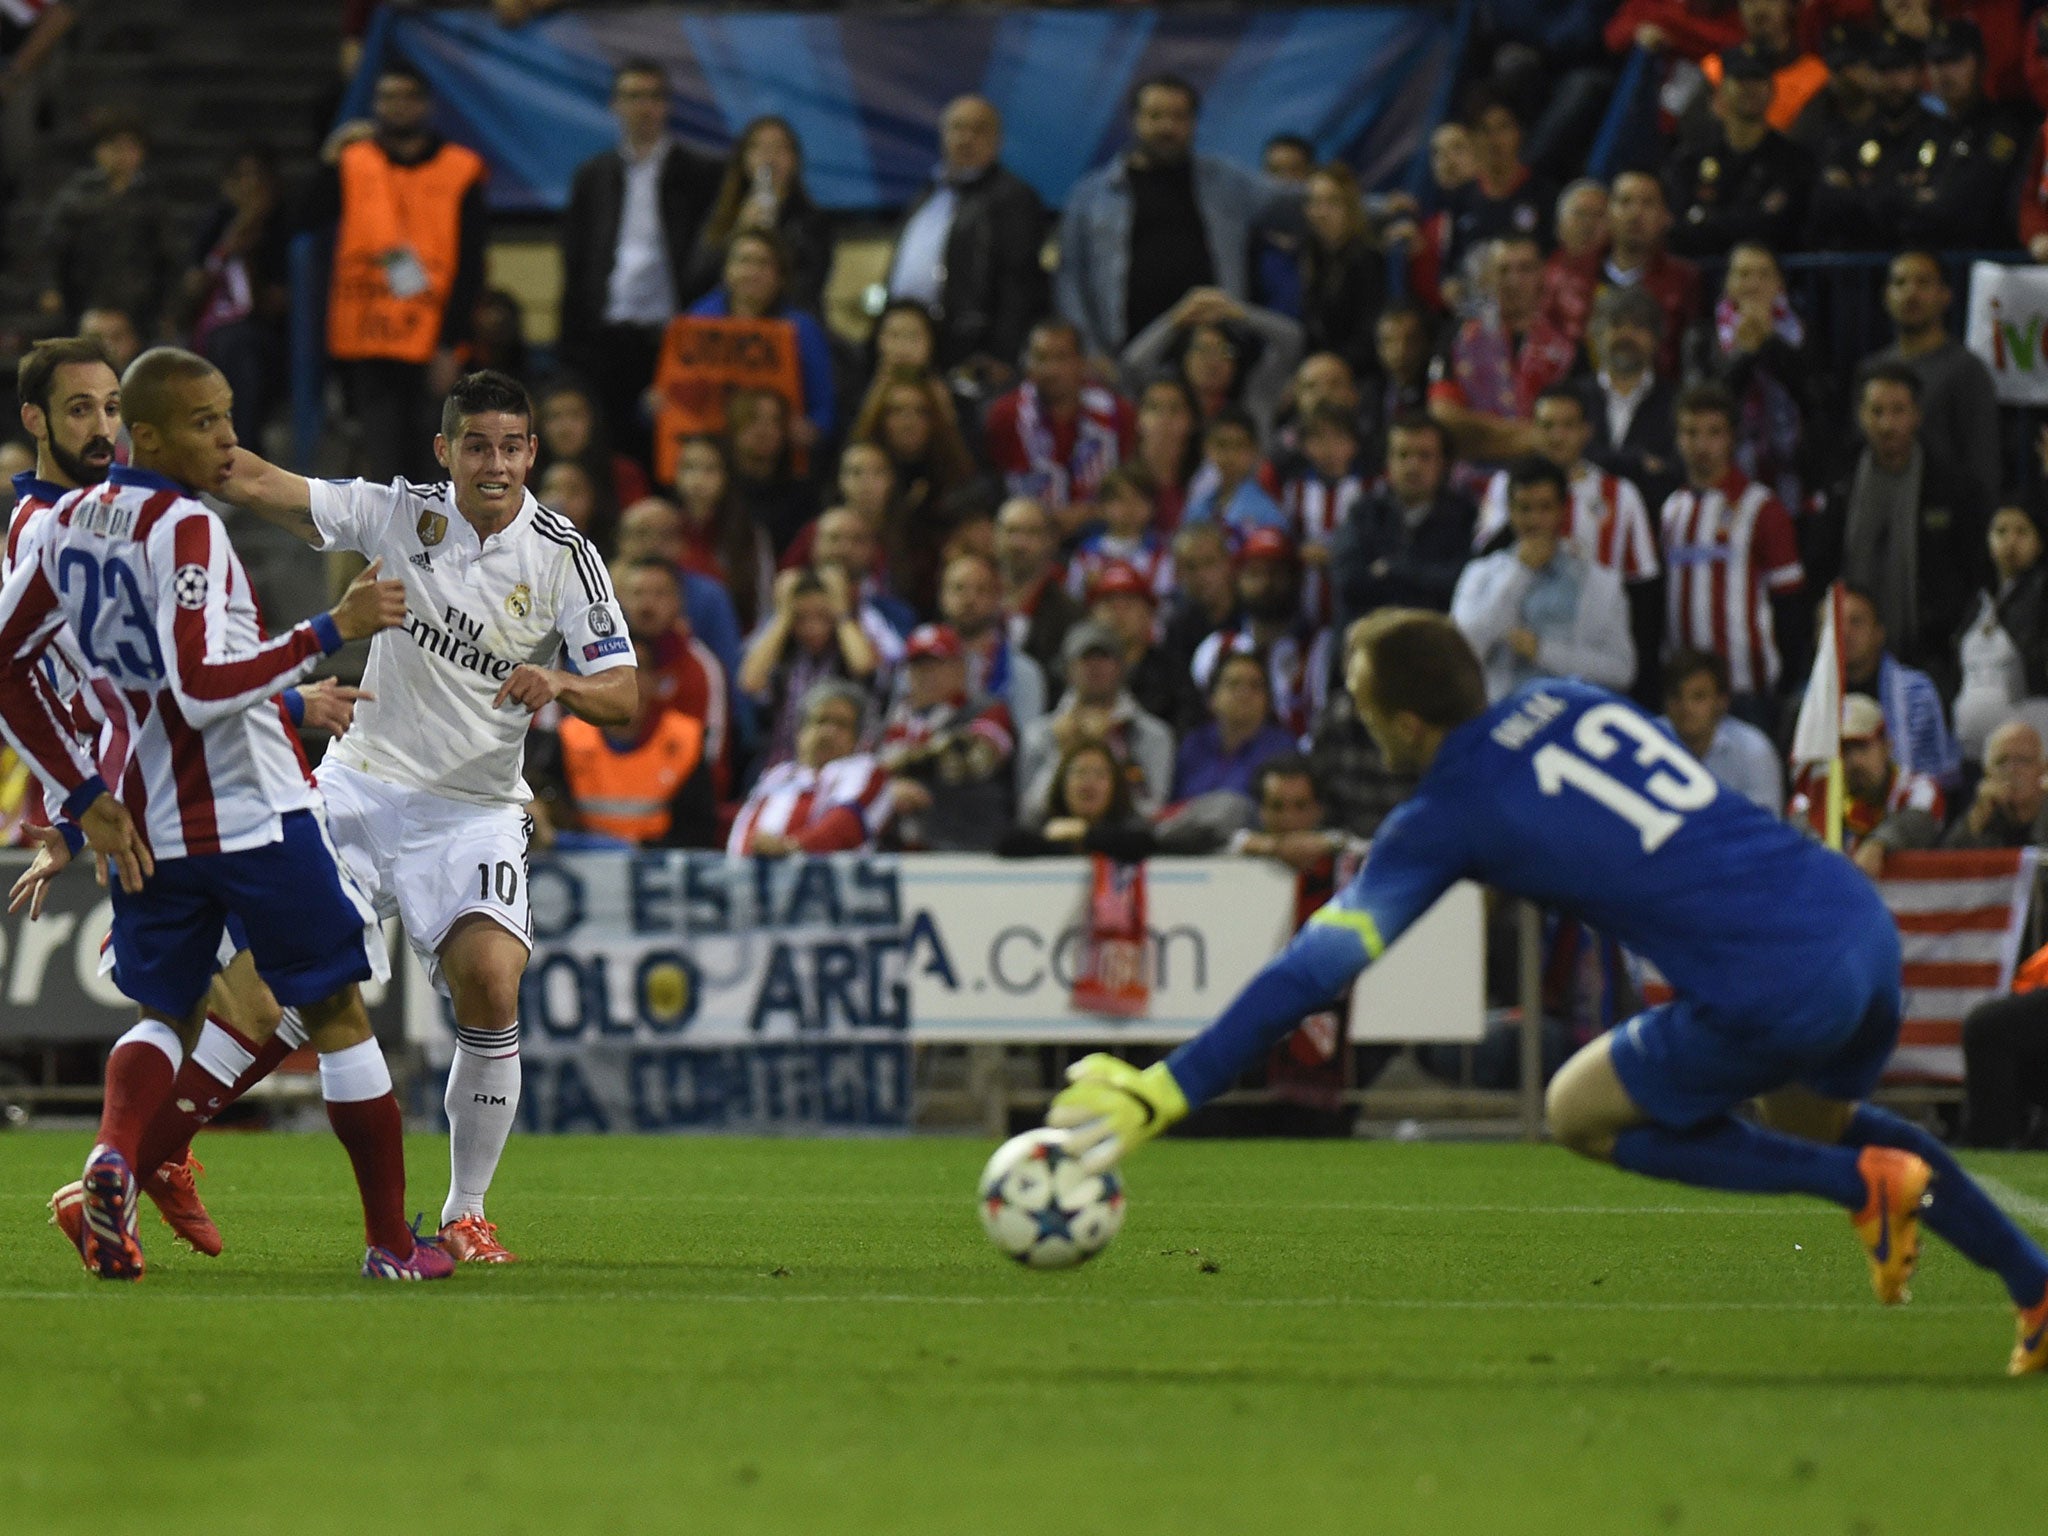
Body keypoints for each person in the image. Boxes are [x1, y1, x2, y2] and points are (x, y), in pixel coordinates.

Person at [1044, 609, 2048, 1377]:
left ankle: (1855, 1190)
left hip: (1767, 983)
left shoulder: (1442, 812)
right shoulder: (1568, 699)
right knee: (1817, 1119)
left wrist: (1167, 1085)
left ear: (1401, 719)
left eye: (1357, 703)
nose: (1354, 718)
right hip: (1852, 923)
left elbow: (1315, 968)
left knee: (1577, 1110)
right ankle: (2034, 1290)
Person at [0, 346, 450, 1282]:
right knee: (333, 1008)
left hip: (143, 823)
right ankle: (394, 1247)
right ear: (150, 434)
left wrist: (81, 798)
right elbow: (203, 687)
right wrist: (334, 631)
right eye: (207, 422)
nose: (229, 438)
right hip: (250, 813)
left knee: (163, 1009)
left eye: (230, 414)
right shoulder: (187, 530)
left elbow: (11, 665)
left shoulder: (61, 525)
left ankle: (112, 1161)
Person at [218, 368, 638, 1264]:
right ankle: (148, 1158)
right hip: (362, 784)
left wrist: (563, 680)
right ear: (446, 451)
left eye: (512, 447)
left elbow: (625, 693)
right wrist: (176, 445)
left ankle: (466, 1208)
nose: (496, 465)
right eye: (477, 446)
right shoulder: (398, 513)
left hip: (474, 809)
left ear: (533, 453)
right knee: (267, 992)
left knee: (492, 980)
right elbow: (263, 484)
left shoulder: (564, 554)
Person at [313, 64, 488, 485]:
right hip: (366, 343)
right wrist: (327, 160)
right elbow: (307, 219)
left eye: (407, 96)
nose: (397, 106)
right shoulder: (352, 162)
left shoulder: (460, 168)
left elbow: (471, 265)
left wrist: (450, 343)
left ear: (426, 104)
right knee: (385, 471)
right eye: (388, 96)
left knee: (436, 468)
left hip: (430, 346)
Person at [1056, 74, 1301, 364]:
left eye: (1178, 117)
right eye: (1155, 116)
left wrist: (1360, 207)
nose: (1167, 127)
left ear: (1194, 123)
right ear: (1134, 120)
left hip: (1217, 362)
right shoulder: (1091, 196)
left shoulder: (1223, 182)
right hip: (1126, 363)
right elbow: (1071, 284)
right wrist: (1090, 354)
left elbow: (1301, 205)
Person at [558, 58, 723, 460]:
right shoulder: (593, 176)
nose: (643, 107)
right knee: (608, 450)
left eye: (652, 97)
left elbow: (710, 261)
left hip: (674, 336)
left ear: (666, 106)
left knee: (673, 450)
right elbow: (576, 263)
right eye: (633, 97)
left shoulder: (702, 174)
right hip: (607, 336)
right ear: (615, 105)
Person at [1814, 364, 1985, 673]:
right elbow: (1820, 560)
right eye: (1876, 411)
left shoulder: (1953, 487)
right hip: (1846, 656)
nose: (1887, 424)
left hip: (1931, 654)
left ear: (1917, 415)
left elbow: (1972, 572)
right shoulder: (1839, 479)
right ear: (1860, 415)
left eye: (1898, 411)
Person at [1660, 382, 1805, 722]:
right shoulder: (1671, 510)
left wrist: (1785, 683)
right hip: (1683, 694)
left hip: (1745, 690)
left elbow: (1790, 603)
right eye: (1690, 433)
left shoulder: (1762, 508)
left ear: (1732, 438)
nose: (1701, 445)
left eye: (1713, 433)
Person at [885, 95, 1048, 386]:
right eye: (957, 128)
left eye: (978, 129)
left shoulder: (1012, 198)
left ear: (997, 140)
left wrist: (1002, 352)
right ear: (943, 135)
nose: (966, 138)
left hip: (970, 352)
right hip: (913, 346)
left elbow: (1020, 283)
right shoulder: (929, 193)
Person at [654, 227, 835, 483]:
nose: (752, 272)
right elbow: (668, 393)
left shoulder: (802, 330)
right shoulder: (697, 320)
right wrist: (655, 404)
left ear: (780, 275)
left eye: (763, 263)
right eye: (743, 261)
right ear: (726, 271)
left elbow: (824, 411)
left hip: (777, 469)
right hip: (708, 469)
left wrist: (812, 431)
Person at [1452, 456, 1635, 702]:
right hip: (1499, 719)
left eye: (1545, 508)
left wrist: (1543, 651)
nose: (1535, 520)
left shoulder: (1600, 583)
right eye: (1525, 508)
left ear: (1562, 509)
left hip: (1570, 719)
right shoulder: (1480, 574)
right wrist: (1520, 572)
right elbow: (1460, 655)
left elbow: (1622, 670)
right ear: (1510, 511)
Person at [531, 638, 713, 849]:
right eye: (613, 671)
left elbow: (698, 836)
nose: (628, 682)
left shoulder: (685, 742)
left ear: (656, 680)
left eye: (638, 669)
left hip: (659, 873)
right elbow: (543, 807)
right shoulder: (569, 739)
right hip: (582, 870)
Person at [1863, 250, 2002, 513]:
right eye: (1900, 283)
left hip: (1943, 519)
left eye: (1923, 283)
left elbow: (1983, 463)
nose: (1911, 293)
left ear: (1945, 295)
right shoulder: (1871, 371)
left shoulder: (1967, 371)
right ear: (1885, 296)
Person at [1684, 241, 1813, 516]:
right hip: (1725, 472)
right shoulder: (1703, 335)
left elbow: (1813, 396)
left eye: (1763, 274)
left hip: (1794, 473)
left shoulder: (1802, 333)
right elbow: (1705, 403)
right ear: (1728, 283)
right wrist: (1745, 353)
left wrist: (1770, 344)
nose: (1753, 284)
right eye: (1743, 274)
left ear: (1780, 284)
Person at [1427, 235, 1576, 465]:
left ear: (1542, 274)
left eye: (1525, 269)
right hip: (1469, 483)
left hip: (1542, 482)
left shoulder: (1566, 345)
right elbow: (1443, 415)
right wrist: (1528, 436)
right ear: (1488, 277)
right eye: (1503, 270)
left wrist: (1479, 440)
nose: (1513, 281)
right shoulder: (1460, 335)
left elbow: (1568, 432)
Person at [1328, 412, 1476, 641]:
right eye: (1403, 455)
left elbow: (1462, 586)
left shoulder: (1464, 516)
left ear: (1443, 463)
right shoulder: (1364, 513)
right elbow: (1349, 583)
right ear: (1388, 461)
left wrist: (1392, 568)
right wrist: (1423, 578)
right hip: (1366, 645)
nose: (1413, 465)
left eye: (1424, 456)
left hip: (1434, 647)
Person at [180, 145, 290, 450]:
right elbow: (193, 286)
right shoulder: (216, 223)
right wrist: (233, 239)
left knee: (239, 347)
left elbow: (280, 300)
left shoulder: (283, 226)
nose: (249, 185)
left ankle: (244, 449)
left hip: (270, 333)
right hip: (212, 327)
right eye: (240, 176)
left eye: (256, 175)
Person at [1662, 41, 1813, 258]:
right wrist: (1751, 219)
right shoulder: (1691, 158)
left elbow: (1781, 230)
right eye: (1741, 79)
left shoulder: (1794, 160)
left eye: (1758, 79)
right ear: (1722, 89)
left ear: (1771, 89)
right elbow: (1679, 227)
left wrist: (1712, 221)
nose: (1750, 88)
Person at [1540, 172, 1699, 376]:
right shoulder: (1569, 277)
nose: (1635, 213)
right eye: (1625, 202)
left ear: (1666, 217)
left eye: (1647, 203)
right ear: (1608, 214)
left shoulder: (1684, 280)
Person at [983, 320, 1135, 532]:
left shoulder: (1117, 412)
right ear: (1028, 364)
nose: (1050, 370)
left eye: (1061, 358)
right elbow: (996, 490)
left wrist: (1091, 513)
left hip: (1101, 534)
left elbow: (1131, 485)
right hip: (1029, 537)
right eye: (1041, 358)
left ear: (1081, 363)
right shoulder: (1005, 416)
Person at [1017, 620, 1177, 820]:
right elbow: (1029, 813)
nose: (1095, 667)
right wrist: (1063, 753)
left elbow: (1151, 810)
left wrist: (1111, 748)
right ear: (1067, 669)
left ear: (1121, 667)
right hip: (1056, 844)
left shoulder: (1153, 735)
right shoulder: (1039, 734)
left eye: (1104, 657)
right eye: (1085, 659)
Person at [36, 108, 179, 332]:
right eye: (114, 147)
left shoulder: (152, 199)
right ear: (99, 151)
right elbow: (52, 246)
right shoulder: (76, 196)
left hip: (139, 304)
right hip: (85, 297)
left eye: (131, 147)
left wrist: (168, 306)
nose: (122, 155)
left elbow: (167, 255)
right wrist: (49, 287)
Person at [876, 623, 1015, 852]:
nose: (926, 675)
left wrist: (901, 763)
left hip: (970, 849)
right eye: (918, 666)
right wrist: (886, 791)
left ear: (960, 668)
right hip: (901, 854)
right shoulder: (892, 724)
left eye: (936, 665)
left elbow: (974, 759)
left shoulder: (988, 711)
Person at [1806, 28, 1947, 250]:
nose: (1891, 81)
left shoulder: (1942, 134)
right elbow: (1825, 205)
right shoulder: (1851, 139)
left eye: (1900, 69)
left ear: (1920, 74)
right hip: (1864, 269)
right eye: (1882, 70)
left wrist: (1858, 195)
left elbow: (1938, 212)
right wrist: (1901, 197)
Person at [1190, 529, 1330, 740]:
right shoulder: (1216, 649)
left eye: (1276, 573)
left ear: (1296, 579)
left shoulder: (1320, 648)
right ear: (1238, 580)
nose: (1266, 583)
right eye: (1254, 573)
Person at [686, 116, 834, 315]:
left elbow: (809, 286)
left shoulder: (812, 221)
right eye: (759, 148)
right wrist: (738, 230)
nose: (769, 157)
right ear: (744, 158)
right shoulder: (723, 214)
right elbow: (696, 279)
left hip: (787, 323)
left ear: (794, 159)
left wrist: (771, 234)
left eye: (779, 148)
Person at [1118, 286, 1304, 445]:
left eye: (1225, 351)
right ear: (1185, 358)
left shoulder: (1255, 401)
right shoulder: (1167, 400)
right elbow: (1132, 366)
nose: (1212, 361)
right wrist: (1175, 319)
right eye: (1202, 349)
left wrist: (1238, 312)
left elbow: (1293, 339)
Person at [727, 680, 889, 856]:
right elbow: (745, 829)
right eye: (821, 721)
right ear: (800, 732)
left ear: (856, 738)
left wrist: (789, 848)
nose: (829, 731)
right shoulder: (778, 775)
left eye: (841, 724)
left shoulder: (865, 769)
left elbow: (847, 825)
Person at [1789, 694, 1945, 875]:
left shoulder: (1916, 788)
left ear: (1886, 747)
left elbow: (1921, 818)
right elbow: (1800, 826)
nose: (1854, 761)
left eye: (1862, 747)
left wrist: (1878, 843)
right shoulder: (1814, 794)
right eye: (1844, 750)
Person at [1837, 582, 1964, 789]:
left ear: (1879, 633)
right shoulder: (1806, 704)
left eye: (1856, 622)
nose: (1845, 632)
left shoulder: (1915, 692)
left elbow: (1933, 780)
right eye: (1836, 624)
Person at [1920, 20, 2030, 251]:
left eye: (1955, 60)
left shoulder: (2005, 128)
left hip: (1989, 265)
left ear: (1980, 64)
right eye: (1937, 62)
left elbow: (1974, 204)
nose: (1944, 72)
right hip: (1933, 264)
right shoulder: (1923, 128)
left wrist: (1927, 202)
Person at [1953, 505, 2048, 759]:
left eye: (2021, 532)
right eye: (2001, 531)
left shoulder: (2041, 595)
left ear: (2039, 543)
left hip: (2031, 745)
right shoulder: (1980, 599)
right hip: (1974, 752)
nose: (2010, 542)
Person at [1577, 285, 1681, 512]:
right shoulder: (1573, 398)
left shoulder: (1678, 403)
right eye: (1616, 324)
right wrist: (1638, 463)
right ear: (1595, 334)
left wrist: (1596, 459)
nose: (1626, 335)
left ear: (1656, 337)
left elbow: (1673, 476)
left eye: (1638, 326)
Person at [1441, 91, 1556, 285]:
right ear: (1472, 138)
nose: (1494, 140)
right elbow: (1449, 271)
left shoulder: (1545, 196)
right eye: (1484, 130)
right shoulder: (1461, 199)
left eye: (1503, 127)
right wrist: (1451, 287)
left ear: (1519, 133)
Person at [1659, 647, 1783, 812]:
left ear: (1721, 702)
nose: (1685, 707)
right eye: (1676, 696)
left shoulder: (1754, 751)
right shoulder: (1643, 736)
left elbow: (1766, 827)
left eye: (1698, 697)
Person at [939, 549, 1047, 737]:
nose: (969, 599)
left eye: (981, 590)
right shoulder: (921, 663)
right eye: (959, 588)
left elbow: (1027, 743)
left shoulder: (1024, 672)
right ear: (942, 597)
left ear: (998, 599)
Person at [1296, 163, 1384, 379]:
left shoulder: (1367, 259)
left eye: (1332, 202)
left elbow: (1369, 336)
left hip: (1358, 376)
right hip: (1322, 370)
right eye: (1315, 202)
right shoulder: (1311, 257)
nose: (1321, 212)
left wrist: (1326, 369)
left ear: (1350, 207)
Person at [1174, 649, 1297, 800]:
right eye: (1233, 684)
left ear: (1268, 700)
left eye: (1255, 686)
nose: (1244, 693)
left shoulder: (1281, 749)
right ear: (1212, 698)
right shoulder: (1194, 744)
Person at [1085, 559, 1191, 734]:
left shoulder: (1173, 675)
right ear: (1091, 615)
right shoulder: (1076, 669)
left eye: (1129, 604)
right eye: (1109, 604)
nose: (1118, 614)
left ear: (1149, 614)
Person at [993, 495, 1082, 680]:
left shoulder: (1069, 615)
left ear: (1050, 541)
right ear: (995, 537)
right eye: (1011, 531)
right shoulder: (977, 601)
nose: (1019, 543)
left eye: (1031, 533)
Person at [1182, 406, 1286, 534]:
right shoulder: (1196, 507)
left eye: (1239, 446)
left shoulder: (1268, 515)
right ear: (1206, 448)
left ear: (1255, 450)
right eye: (1222, 444)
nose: (1230, 455)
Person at [1946, 718, 2048, 847]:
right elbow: (1945, 863)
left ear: (2044, 769)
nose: (2012, 770)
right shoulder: (1983, 815)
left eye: (2023, 760)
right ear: (1988, 772)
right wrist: (1979, 817)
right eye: (2001, 762)